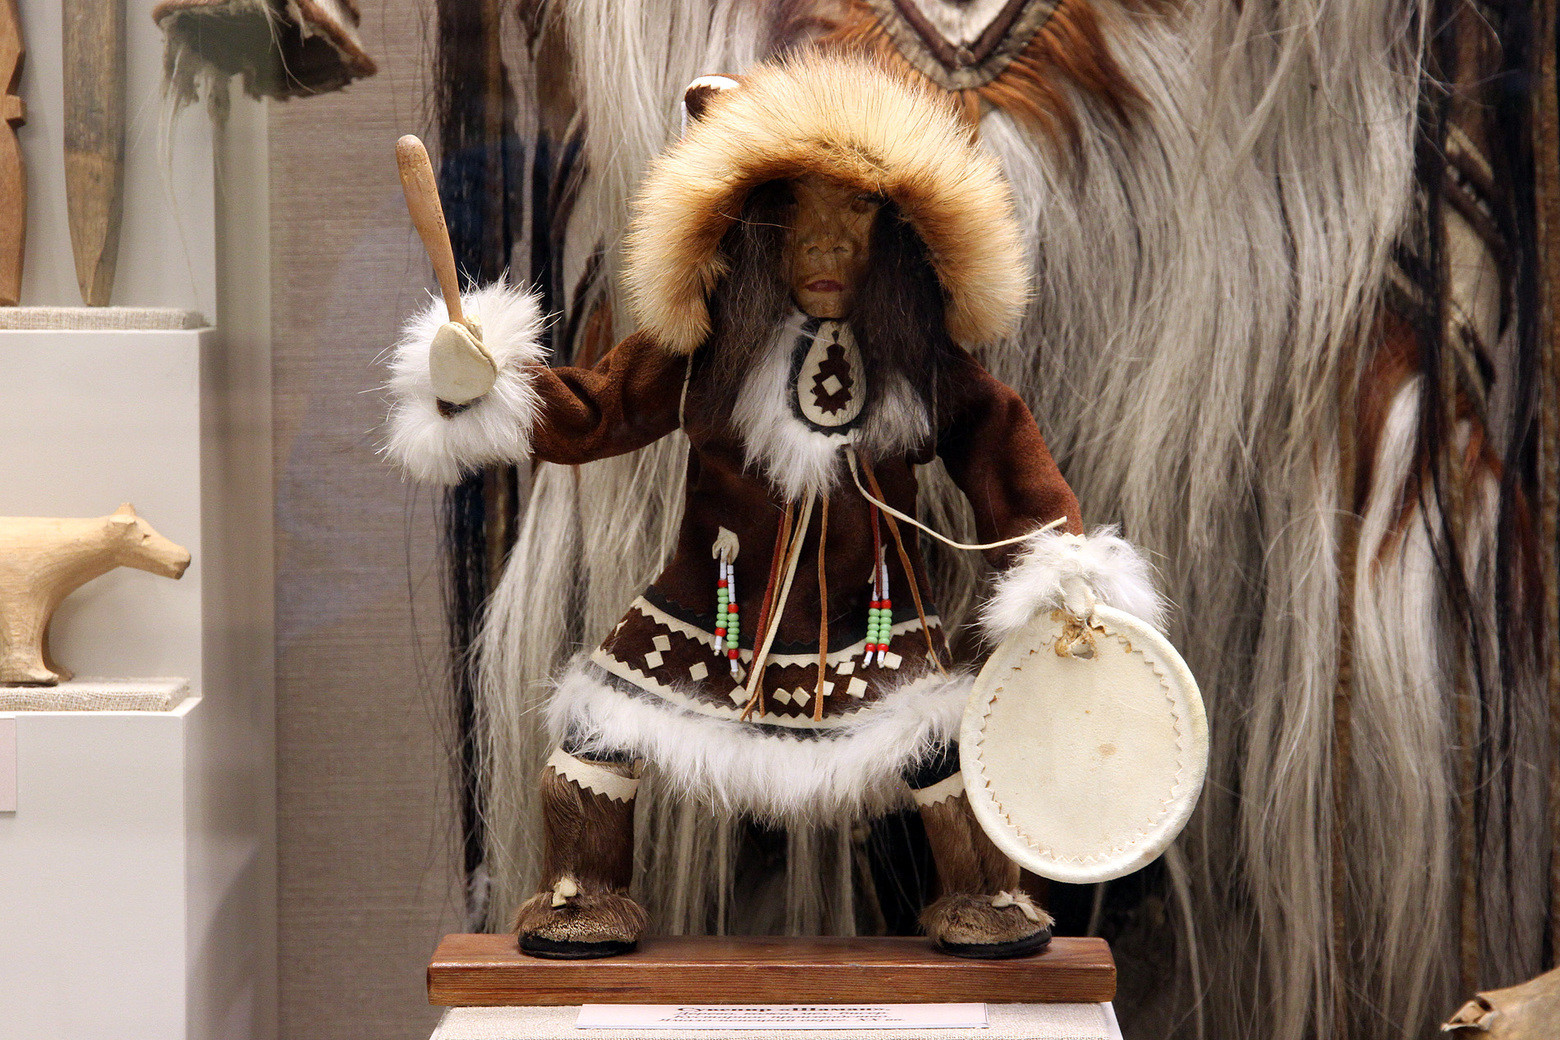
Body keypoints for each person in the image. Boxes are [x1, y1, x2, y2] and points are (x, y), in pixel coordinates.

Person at [385, 54, 1160, 960]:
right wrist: (481, 381)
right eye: (795, 210)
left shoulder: (918, 366)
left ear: (904, 236)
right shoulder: (705, 355)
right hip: (710, 612)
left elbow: (1001, 452)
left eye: (856, 212)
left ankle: (986, 895)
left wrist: (1058, 566)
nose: (825, 244)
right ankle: (580, 892)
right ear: (750, 226)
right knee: (598, 727)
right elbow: (591, 412)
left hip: (873, 620)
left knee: (939, 747)